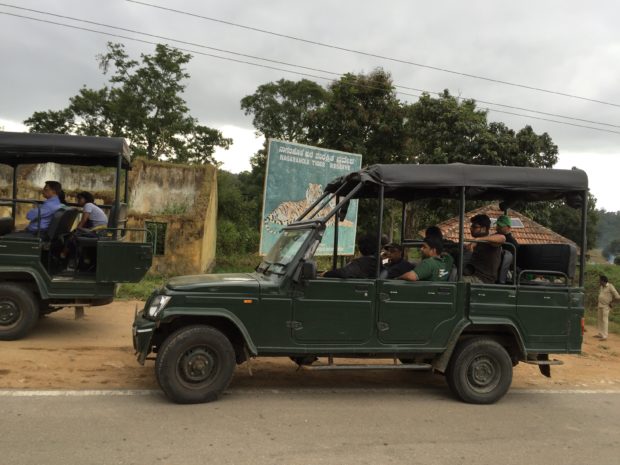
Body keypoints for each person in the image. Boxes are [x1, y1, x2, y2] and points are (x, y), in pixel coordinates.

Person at [462, 214, 505, 284]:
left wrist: (478, 239)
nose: (471, 228)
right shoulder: (476, 243)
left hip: (483, 280)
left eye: (474, 227)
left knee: (456, 280)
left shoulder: (491, 243)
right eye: (471, 226)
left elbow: (502, 238)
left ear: (484, 229)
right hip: (472, 274)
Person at [596, 275, 620, 341]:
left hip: (606, 306)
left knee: (604, 320)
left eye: (600, 280)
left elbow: (618, 297)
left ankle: (604, 336)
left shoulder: (610, 286)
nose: (599, 281)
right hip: (600, 305)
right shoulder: (601, 287)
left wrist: (612, 302)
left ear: (603, 281)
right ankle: (600, 334)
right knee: (600, 319)